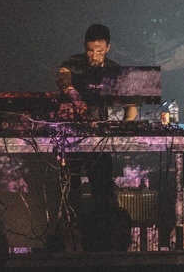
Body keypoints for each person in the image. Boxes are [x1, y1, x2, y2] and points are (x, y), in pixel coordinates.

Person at [54, 24, 135, 251]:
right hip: (70, 138)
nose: (94, 56)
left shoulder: (114, 70)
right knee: (70, 192)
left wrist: (125, 128)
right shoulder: (74, 63)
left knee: (103, 192)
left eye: (99, 51)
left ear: (108, 48)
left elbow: (131, 104)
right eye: (90, 50)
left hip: (99, 140)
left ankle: (103, 244)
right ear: (85, 47)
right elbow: (62, 77)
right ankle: (71, 244)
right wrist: (74, 96)